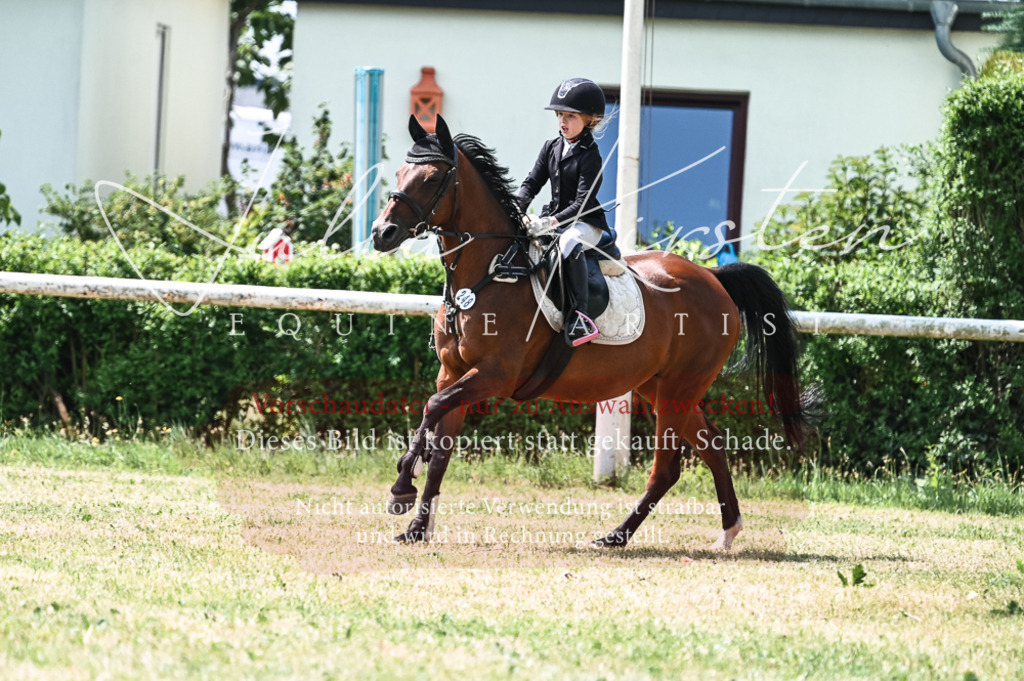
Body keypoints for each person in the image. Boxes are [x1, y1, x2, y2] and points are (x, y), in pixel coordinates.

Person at [516, 77, 620, 347]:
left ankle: (580, 315)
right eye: (560, 114)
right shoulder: (551, 148)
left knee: (568, 241)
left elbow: (582, 203)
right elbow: (531, 183)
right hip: (555, 219)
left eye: (570, 116)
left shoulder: (591, 155)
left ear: (589, 120)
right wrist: (515, 208)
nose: (562, 121)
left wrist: (550, 221)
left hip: (585, 223)